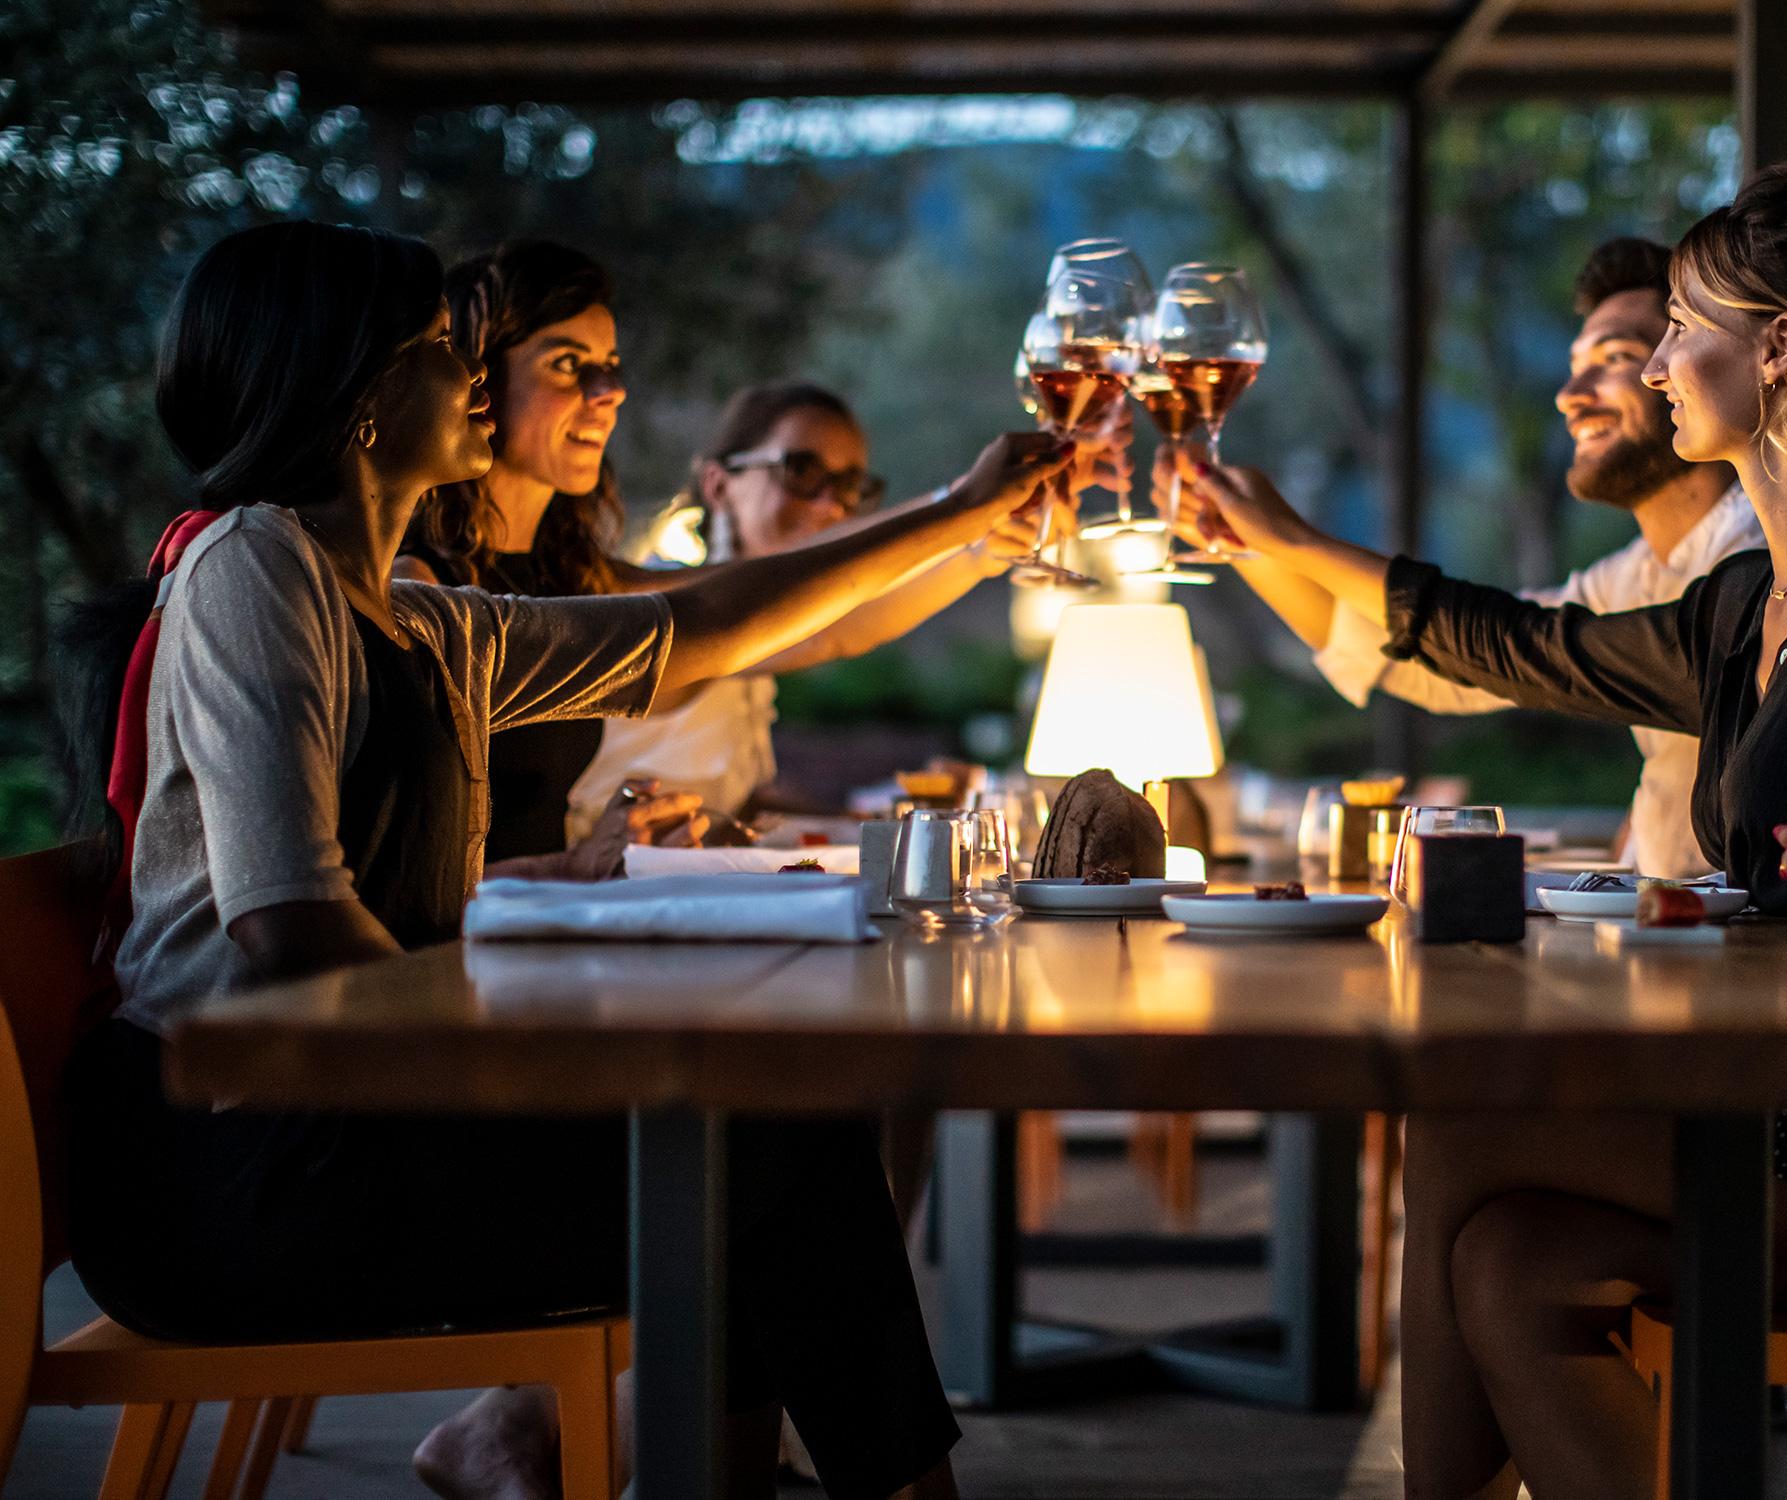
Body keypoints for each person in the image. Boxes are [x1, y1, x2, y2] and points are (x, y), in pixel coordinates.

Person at [1171, 165, 1787, 1500]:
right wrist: (1274, 536)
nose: (1653, 361)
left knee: (1465, 1128)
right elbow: (1520, 643)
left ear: (1777, 349)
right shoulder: (1747, 604)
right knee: (1511, 1260)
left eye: (1680, 327)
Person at [60, 221, 1073, 1500]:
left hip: (338, 1128)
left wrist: (970, 514)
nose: (474, 373)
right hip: (231, 1179)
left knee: (772, 1137)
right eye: (441, 348)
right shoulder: (254, 565)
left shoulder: (420, 618)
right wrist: (538, 1065)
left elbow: (703, 622)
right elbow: (291, 926)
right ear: (360, 396)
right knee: (763, 1158)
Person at [399, 243, 1066, 870]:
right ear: (474, 375)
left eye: (610, 367)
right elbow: (742, 617)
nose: (609, 391)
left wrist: (978, 545)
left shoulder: (580, 580)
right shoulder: (421, 588)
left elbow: (818, 621)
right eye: (568, 364)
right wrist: (961, 510)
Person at [1210, 238, 1761, 877]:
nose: (1570, 393)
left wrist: (1293, 538)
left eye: (1616, 357)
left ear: (1684, 368)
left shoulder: (1755, 566)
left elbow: (1499, 644)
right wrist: (1248, 544)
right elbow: (1446, 666)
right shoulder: (1633, 575)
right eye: (1575, 362)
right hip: (1655, 933)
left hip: (1735, 949)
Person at [569, 380, 1059, 827]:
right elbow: (834, 631)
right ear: (719, 485)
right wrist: (968, 520)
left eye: (850, 487)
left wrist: (882, 812)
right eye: (801, 469)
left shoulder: (764, 626)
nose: (832, 506)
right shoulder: (661, 603)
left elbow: (745, 803)